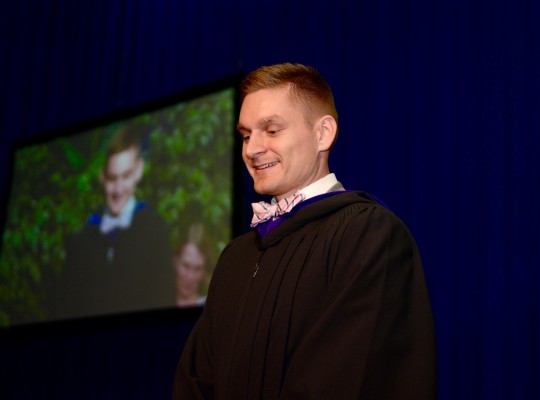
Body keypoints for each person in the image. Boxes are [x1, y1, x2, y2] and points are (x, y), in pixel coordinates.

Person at [173, 63, 437, 399]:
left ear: (323, 133)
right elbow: (195, 381)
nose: (252, 149)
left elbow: (348, 379)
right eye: (245, 134)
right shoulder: (236, 257)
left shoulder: (369, 235)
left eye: (271, 130)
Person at [60, 126, 174, 319]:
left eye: (126, 176)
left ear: (138, 170)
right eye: (112, 178)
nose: (118, 189)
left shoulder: (156, 230)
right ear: (102, 177)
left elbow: (164, 295)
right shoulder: (81, 240)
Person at [173, 223, 209, 308]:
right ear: (174, 261)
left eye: (197, 269)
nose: (190, 277)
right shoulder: (154, 299)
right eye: (185, 266)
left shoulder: (210, 308)